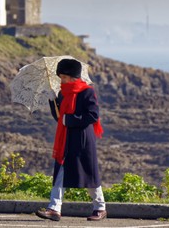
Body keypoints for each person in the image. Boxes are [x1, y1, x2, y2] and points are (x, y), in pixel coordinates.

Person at [35, 58, 107, 222]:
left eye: (64, 77)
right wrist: (52, 101)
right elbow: (59, 118)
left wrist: (71, 119)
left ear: (73, 76)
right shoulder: (61, 94)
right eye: (60, 77)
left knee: (89, 174)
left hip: (82, 140)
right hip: (65, 140)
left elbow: (93, 115)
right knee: (60, 173)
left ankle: (100, 207)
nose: (61, 80)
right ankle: (54, 208)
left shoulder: (87, 92)